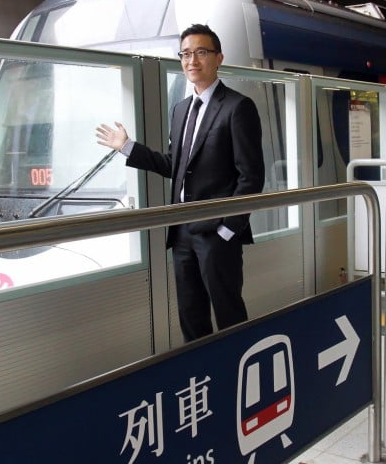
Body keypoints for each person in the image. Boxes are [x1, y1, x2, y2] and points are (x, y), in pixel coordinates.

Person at [95, 24, 265, 342]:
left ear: (219, 59)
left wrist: (228, 230)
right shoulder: (181, 109)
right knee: (190, 314)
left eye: (201, 52)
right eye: (186, 54)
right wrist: (127, 147)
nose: (192, 61)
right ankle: (202, 378)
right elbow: (174, 165)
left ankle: (238, 376)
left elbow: (251, 177)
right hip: (182, 229)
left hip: (217, 233)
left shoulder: (237, 107)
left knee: (229, 313)